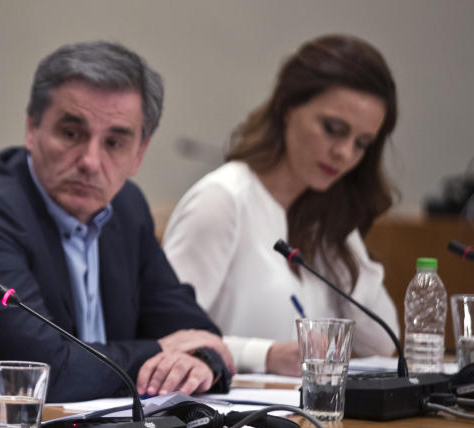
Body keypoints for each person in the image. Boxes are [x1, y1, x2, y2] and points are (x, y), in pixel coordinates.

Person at [0, 41, 234, 402]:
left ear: (139, 154)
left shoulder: (126, 206)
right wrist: (161, 350)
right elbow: (43, 373)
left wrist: (201, 360)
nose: (91, 162)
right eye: (71, 134)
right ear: (32, 129)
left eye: (114, 143)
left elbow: (193, 330)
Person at [161, 34, 400, 376]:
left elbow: (381, 343)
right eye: (333, 129)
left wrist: (344, 230)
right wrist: (265, 355)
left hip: (310, 416)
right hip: (225, 420)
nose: (345, 153)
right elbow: (168, 338)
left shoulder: (327, 214)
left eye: (362, 143)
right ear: (286, 107)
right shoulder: (223, 201)